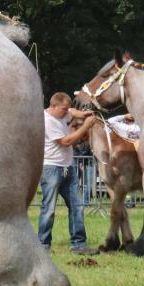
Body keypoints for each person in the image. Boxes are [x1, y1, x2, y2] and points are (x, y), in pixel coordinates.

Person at [38, 92, 99, 254]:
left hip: (68, 167)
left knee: (77, 206)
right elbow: (66, 142)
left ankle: (79, 244)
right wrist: (86, 126)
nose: (66, 112)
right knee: (49, 208)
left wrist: (83, 114)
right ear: (53, 106)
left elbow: (72, 111)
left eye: (66, 109)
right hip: (51, 168)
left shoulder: (64, 113)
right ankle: (43, 246)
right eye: (63, 109)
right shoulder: (47, 120)